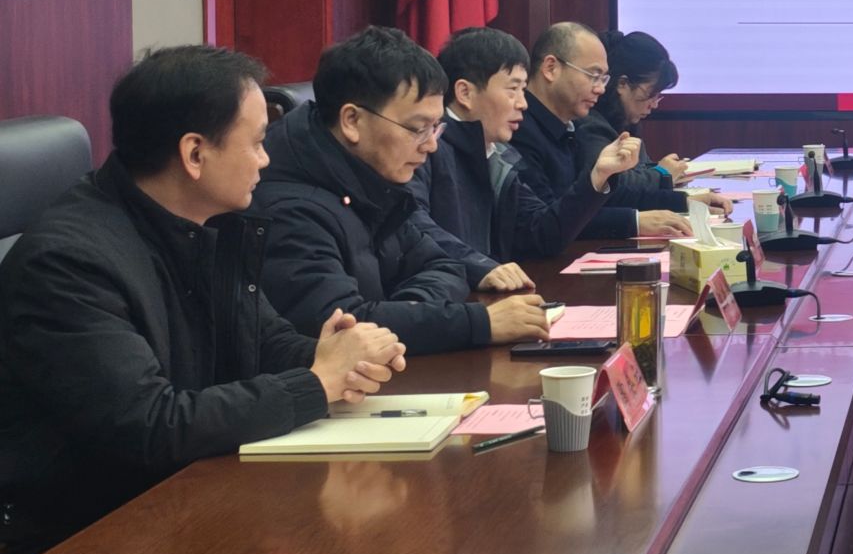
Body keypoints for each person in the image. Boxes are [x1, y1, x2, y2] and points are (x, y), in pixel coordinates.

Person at [0, 46, 405, 554]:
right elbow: (151, 425)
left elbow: (259, 338)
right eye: (256, 143)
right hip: (82, 546)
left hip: (184, 500)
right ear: (194, 154)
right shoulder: (67, 264)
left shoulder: (206, 222)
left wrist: (340, 358)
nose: (266, 159)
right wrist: (317, 382)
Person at [252, 27, 551, 353]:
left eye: (435, 128)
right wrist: (478, 323)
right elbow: (344, 328)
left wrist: (410, 312)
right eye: (418, 128)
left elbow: (446, 266)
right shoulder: (289, 207)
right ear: (352, 121)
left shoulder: (371, 179)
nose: (431, 146)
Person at [411, 27, 642, 290]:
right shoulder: (425, 151)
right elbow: (416, 229)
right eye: (512, 89)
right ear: (465, 93)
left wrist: (598, 177)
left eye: (523, 90)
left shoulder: (497, 155)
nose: (523, 103)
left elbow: (543, 233)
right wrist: (482, 267)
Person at [508, 23, 692, 242]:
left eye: (604, 79)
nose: (601, 89)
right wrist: (634, 221)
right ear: (551, 68)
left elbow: (591, 203)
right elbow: (544, 225)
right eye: (593, 76)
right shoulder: (519, 130)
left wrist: (685, 202)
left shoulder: (566, 127)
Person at [578, 29, 735, 220]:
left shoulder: (626, 122)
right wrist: (661, 174)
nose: (654, 104)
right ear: (622, 84)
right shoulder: (591, 124)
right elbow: (615, 189)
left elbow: (639, 180)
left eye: (659, 96)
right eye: (651, 94)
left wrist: (685, 199)